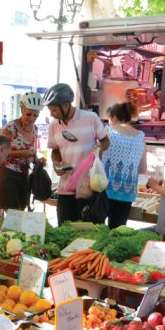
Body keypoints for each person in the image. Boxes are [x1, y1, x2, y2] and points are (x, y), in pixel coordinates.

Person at [45, 83, 110, 225]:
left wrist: (99, 148)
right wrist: (56, 164)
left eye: (54, 110)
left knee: (88, 235)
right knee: (65, 230)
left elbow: (106, 141)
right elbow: (55, 150)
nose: (51, 114)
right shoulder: (54, 125)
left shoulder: (91, 118)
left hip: (89, 188)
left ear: (66, 105)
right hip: (65, 188)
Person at [103, 102, 146, 229]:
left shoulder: (108, 131)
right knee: (117, 232)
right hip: (127, 192)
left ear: (114, 118)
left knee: (96, 230)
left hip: (104, 189)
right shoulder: (140, 137)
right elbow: (143, 168)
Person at [0, 93, 41, 211]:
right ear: (22, 109)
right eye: (28, 114)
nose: (31, 118)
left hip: (24, 177)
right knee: (14, 216)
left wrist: (38, 160)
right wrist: (21, 153)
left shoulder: (35, 129)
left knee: (21, 214)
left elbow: (33, 152)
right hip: (8, 175)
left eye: (35, 115)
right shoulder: (10, 127)